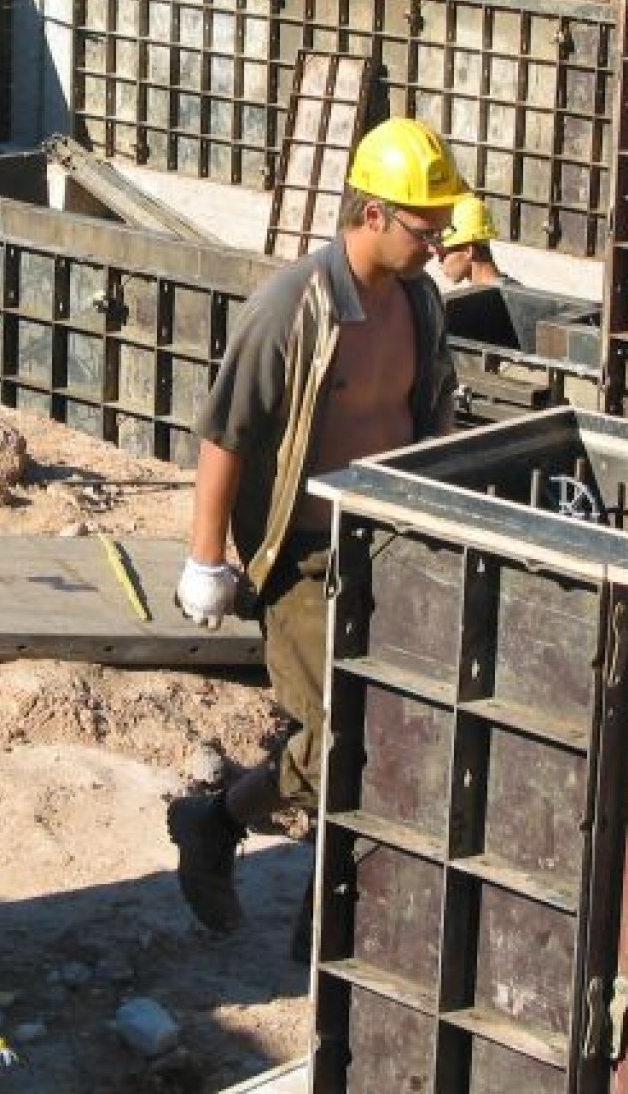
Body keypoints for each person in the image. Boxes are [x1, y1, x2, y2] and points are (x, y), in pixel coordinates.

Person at [166, 116, 470, 951]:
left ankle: (228, 829)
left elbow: (427, 413)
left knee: (384, 733)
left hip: (389, 549)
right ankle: (303, 900)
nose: (438, 243)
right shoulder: (293, 307)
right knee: (344, 740)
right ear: (371, 215)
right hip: (301, 559)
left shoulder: (418, 301)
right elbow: (225, 430)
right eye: (423, 226)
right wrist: (206, 558)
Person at [436, 192, 515, 288]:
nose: (439, 262)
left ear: (468, 251)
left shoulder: (497, 300)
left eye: (443, 255)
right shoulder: (510, 294)